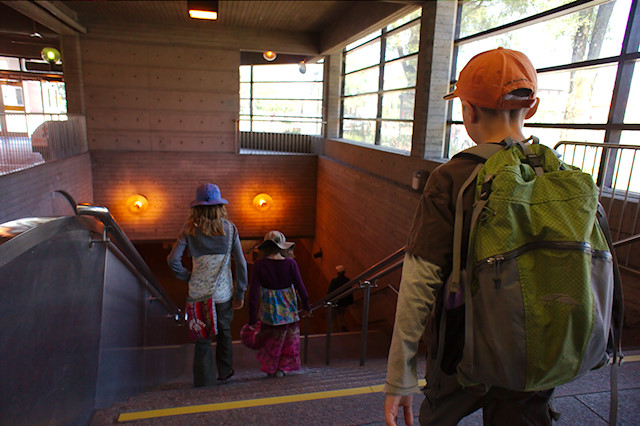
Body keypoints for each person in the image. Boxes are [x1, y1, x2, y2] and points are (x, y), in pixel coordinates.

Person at [384, 48, 556, 425]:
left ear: (469, 112)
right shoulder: (557, 175)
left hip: (463, 349)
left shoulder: (451, 177)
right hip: (537, 345)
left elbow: (418, 284)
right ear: (533, 107)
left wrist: (400, 377)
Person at [167, 183, 247, 387]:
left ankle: (203, 381)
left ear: (197, 207)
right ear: (220, 206)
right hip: (223, 295)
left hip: (198, 294)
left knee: (202, 339)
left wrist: (187, 277)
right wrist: (240, 292)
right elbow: (241, 264)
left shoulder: (189, 229)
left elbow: (172, 260)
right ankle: (225, 372)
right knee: (225, 333)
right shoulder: (230, 229)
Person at [248, 230, 311, 377]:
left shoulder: (259, 265)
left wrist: (252, 318)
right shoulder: (291, 264)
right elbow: (300, 287)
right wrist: (306, 306)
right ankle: (282, 368)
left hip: (268, 310)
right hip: (288, 309)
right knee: (288, 340)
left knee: (271, 339)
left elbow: (253, 293)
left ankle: (271, 367)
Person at [327, 265, 353, 332]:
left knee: (333, 317)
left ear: (338, 273)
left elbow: (330, 292)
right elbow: (350, 291)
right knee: (341, 315)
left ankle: (334, 330)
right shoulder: (347, 280)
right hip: (344, 302)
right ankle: (343, 326)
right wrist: (350, 301)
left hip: (336, 302)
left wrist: (328, 300)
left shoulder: (334, 281)